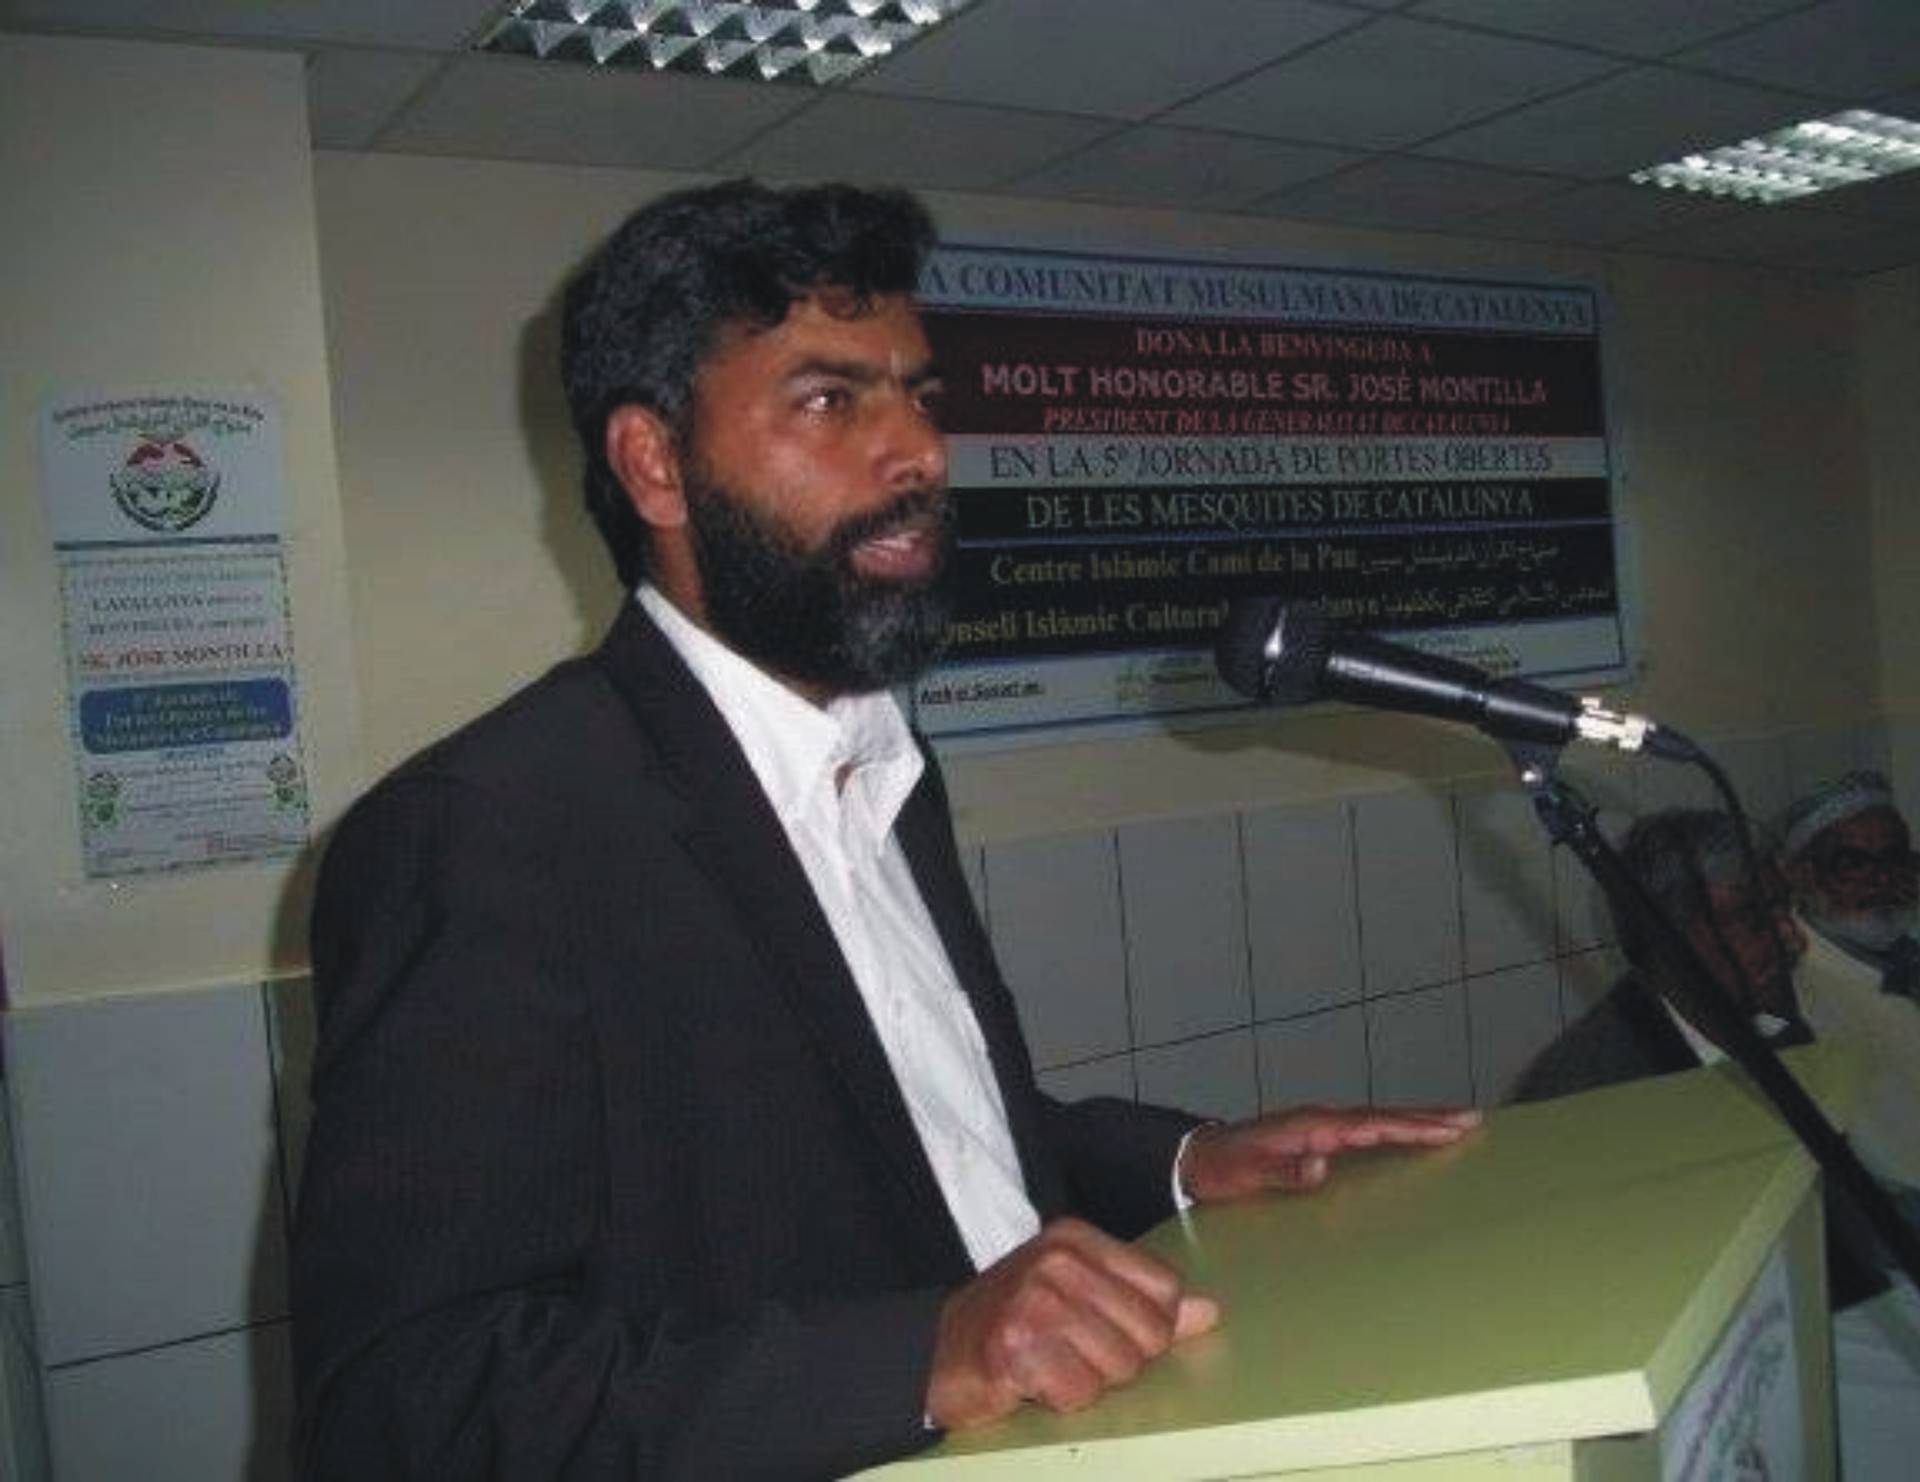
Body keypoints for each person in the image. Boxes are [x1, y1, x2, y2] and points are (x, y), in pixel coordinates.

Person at [289, 178, 1479, 1481]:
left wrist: (1188, 1162)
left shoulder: (881, 764)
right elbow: (408, 1401)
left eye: (921, 395)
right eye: (829, 400)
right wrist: (922, 1355)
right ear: (654, 464)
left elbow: (912, 1133)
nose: (918, 452)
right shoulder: (487, 830)